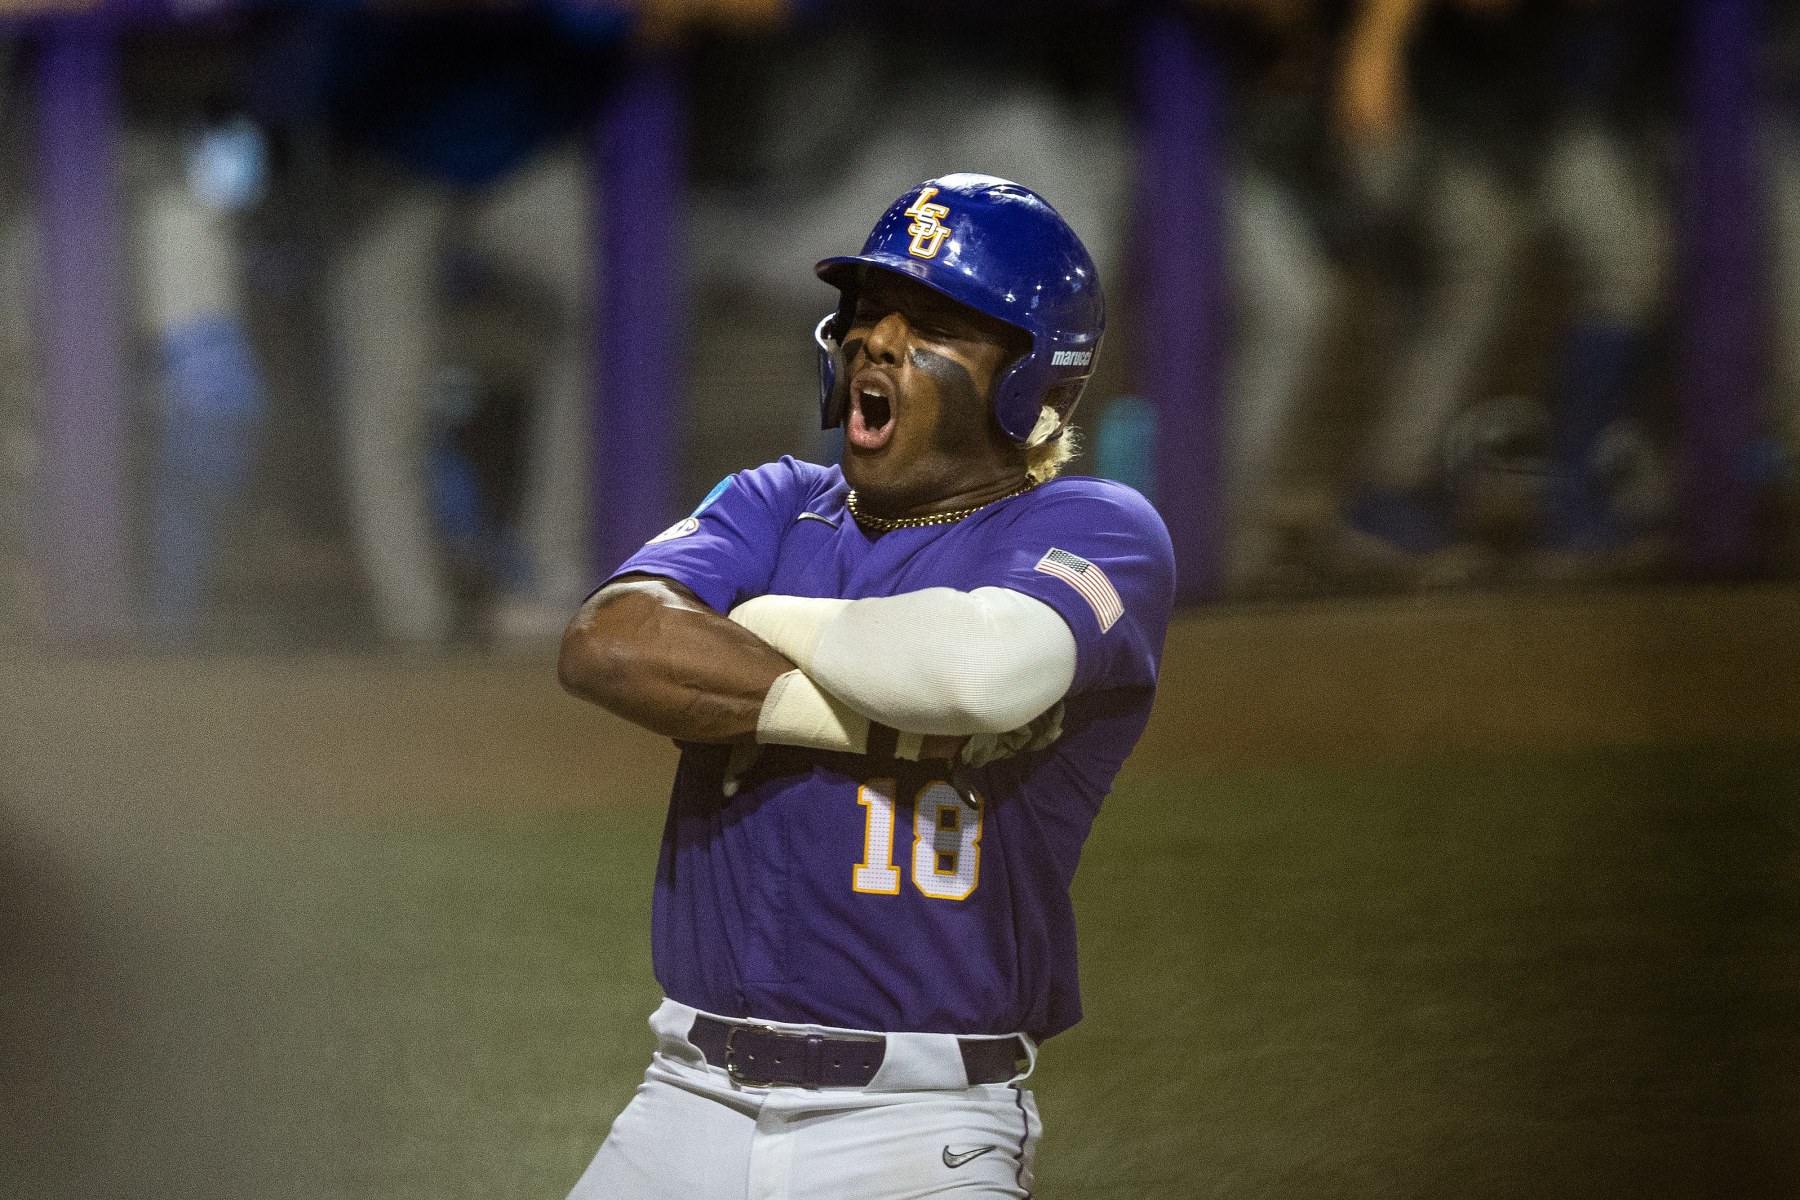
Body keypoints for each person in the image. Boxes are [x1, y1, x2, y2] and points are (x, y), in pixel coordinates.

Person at [556, 174, 1175, 1199]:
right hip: (684, 1105)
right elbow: (608, 644)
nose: (876, 341)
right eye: (866, 313)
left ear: (1033, 382)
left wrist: (754, 620)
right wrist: (878, 718)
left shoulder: (1095, 529)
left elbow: (976, 672)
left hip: (920, 1133)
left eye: (930, 322)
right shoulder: (772, 503)